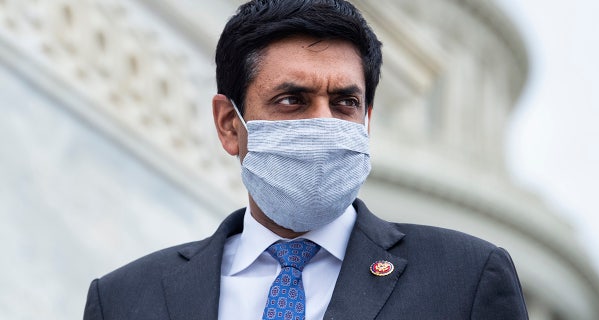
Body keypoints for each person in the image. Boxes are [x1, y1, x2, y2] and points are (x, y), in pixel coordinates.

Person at [83, 0, 529, 319]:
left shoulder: (464, 280)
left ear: (367, 120)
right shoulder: (126, 299)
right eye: (292, 100)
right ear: (228, 124)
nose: (324, 122)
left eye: (344, 102)